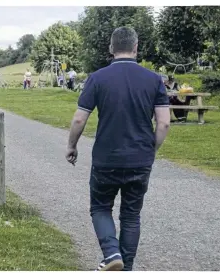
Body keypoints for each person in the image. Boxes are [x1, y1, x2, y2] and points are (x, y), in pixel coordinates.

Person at [65, 27, 170, 271]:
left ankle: (112, 253)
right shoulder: (154, 79)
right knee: (131, 215)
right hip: (140, 159)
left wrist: (72, 145)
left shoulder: (97, 78)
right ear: (136, 47)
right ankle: (126, 266)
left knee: (101, 207)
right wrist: (150, 150)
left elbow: (80, 119)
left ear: (111, 49)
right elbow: (164, 122)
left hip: (106, 158)